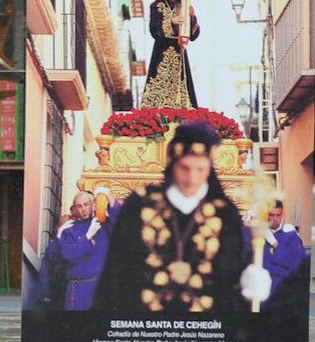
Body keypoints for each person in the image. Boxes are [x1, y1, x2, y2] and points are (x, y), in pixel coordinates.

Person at [93, 121, 270, 313]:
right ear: (173, 163)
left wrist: (248, 284)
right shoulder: (140, 205)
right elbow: (117, 272)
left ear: (210, 168)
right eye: (185, 168)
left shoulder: (224, 213)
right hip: (147, 328)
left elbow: (231, 274)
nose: (192, 178)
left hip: (205, 331)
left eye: (200, 169)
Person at [141, 0, 201, 109]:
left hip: (179, 50)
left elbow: (193, 35)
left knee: (181, 83)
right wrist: (171, 21)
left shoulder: (183, 7)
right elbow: (154, 30)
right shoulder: (156, 5)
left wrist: (192, 16)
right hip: (161, 50)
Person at [55, 190, 117, 310]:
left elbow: (122, 221)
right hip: (77, 288)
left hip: (100, 286)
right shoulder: (68, 229)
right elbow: (69, 255)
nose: (83, 209)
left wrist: (108, 195)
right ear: (74, 208)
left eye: (86, 204)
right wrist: (87, 237)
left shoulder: (105, 225)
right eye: (79, 206)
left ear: (93, 205)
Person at [255, 200, 308, 309]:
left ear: (282, 214)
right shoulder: (260, 234)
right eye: (271, 215)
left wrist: (275, 244)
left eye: (277, 215)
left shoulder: (290, 234)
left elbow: (299, 263)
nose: (274, 219)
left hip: (283, 290)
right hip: (261, 293)